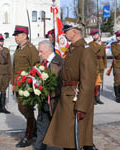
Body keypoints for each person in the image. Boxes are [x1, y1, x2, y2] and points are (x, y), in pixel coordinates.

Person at [43, 18, 98, 150]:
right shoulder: (72, 49)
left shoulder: (85, 50)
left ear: (74, 32)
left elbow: (88, 81)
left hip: (76, 99)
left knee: (75, 139)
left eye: (66, 31)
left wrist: (82, 106)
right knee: (67, 140)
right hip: (67, 98)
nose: (64, 34)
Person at [12, 25, 40, 147]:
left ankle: (29, 135)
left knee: (26, 108)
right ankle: (35, 128)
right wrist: (13, 83)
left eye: (17, 36)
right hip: (18, 83)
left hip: (27, 83)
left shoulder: (31, 49)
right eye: (15, 36)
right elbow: (14, 68)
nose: (15, 38)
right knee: (21, 107)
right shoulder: (18, 48)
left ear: (24, 36)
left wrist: (32, 84)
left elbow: (36, 66)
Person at [34, 40, 63, 150]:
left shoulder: (59, 62)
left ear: (49, 50)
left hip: (54, 101)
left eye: (41, 52)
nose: (39, 54)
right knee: (41, 125)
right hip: (43, 101)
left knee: (56, 128)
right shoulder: (42, 63)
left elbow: (61, 83)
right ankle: (39, 147)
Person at [89, 29, 107, 105]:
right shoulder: (90, 44)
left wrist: (105, 64)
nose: (95, 36)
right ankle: (92, 99)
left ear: (98, 35)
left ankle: (97, 98)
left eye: (96, 34)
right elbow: (93, 52)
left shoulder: (102, 44)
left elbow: (104, 55)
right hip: (94, 63)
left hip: (101, 64)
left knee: (99, 82)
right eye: (93, 35)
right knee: (93, 82)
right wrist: (99, 45)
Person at [111, 31, 120, 103]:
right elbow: (115, 53)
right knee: (117, 81)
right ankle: (117, 97)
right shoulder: (114, 45)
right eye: (118, 36)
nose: (119, 37)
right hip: (118, 65)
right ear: (116, 37)